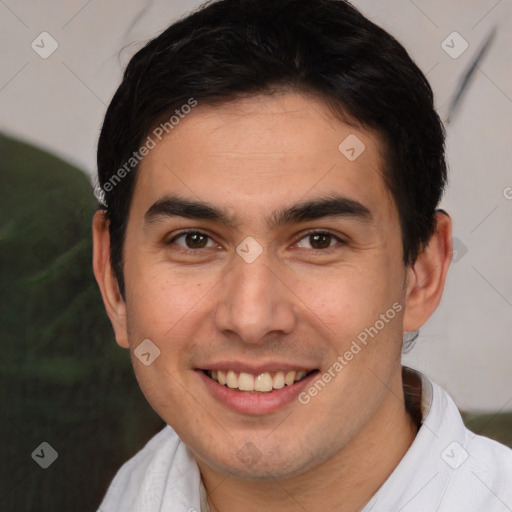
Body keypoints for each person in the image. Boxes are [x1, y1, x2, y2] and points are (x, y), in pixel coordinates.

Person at [92, 0, 512, 510]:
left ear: (421, 273)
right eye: (194, 240)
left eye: (319, 240)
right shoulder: (138, 488)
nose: (251, 318)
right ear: (113, 281)